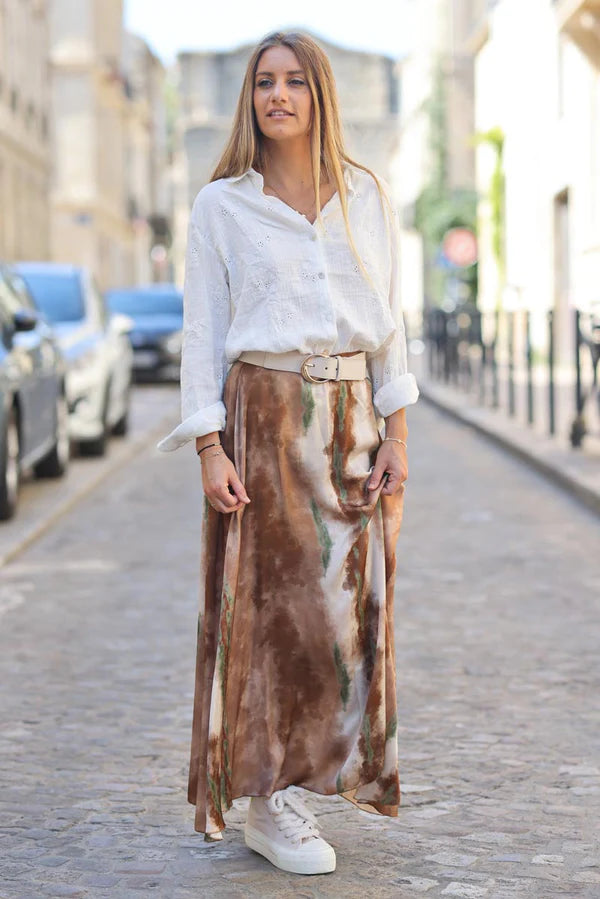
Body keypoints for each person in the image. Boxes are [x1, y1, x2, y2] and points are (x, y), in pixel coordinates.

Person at [157, 30, 419, 876]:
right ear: (250, 99)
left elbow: (390, 320)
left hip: (351, 420)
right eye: (264, 82)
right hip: (263, 418)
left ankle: (309, 777)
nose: (277, 95)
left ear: (319, 95)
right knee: (276, 616)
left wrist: (398, 431)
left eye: (294, 81)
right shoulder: (221, 207)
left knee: (346, 621)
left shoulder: (365, 195)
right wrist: (208, 443)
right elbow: (202, 334)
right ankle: (271, 797)